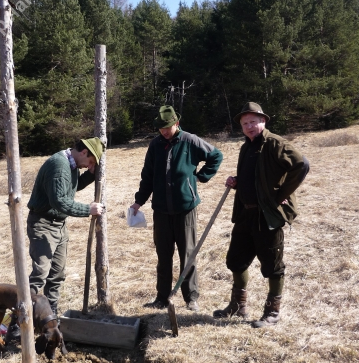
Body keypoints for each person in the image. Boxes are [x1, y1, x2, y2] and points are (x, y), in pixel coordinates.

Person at [213, 102, 309, 327]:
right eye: (245, 123)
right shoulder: (246, 146)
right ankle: (238, 306)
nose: (249, 126)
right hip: (245, 214)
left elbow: (301, 165)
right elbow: (255, 176)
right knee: (236, 261)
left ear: (263, 121)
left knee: (272, 265)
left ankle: (272, 313)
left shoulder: (275, 144)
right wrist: (236, 182)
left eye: (253, 122)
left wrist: (281, 194)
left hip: (268, 216)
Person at [7, 138, 105, 341]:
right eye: (92, 162)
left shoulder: (70, 164)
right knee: (39, 274)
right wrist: (88, 210)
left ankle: (50, 318)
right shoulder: (59, 165)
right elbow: (59, 200)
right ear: (84, 152)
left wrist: (90, 176)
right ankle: (17, 322)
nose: (91, 166)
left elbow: (68, 188)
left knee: (57, 275)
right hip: (43, 224)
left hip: (59, 225)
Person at [131, 105, 223, 312]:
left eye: (168, 127)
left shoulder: (190, 140)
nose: (164, 131)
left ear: (176, 123)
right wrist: (139, 201)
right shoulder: (155, 145)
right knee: (163, 255)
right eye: (161, 128)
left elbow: (216, 156)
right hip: (161, 210)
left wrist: (201, 176)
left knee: (188, 253)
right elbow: (147, 175)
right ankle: (162, 298)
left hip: (186, 208)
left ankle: (191, 298)